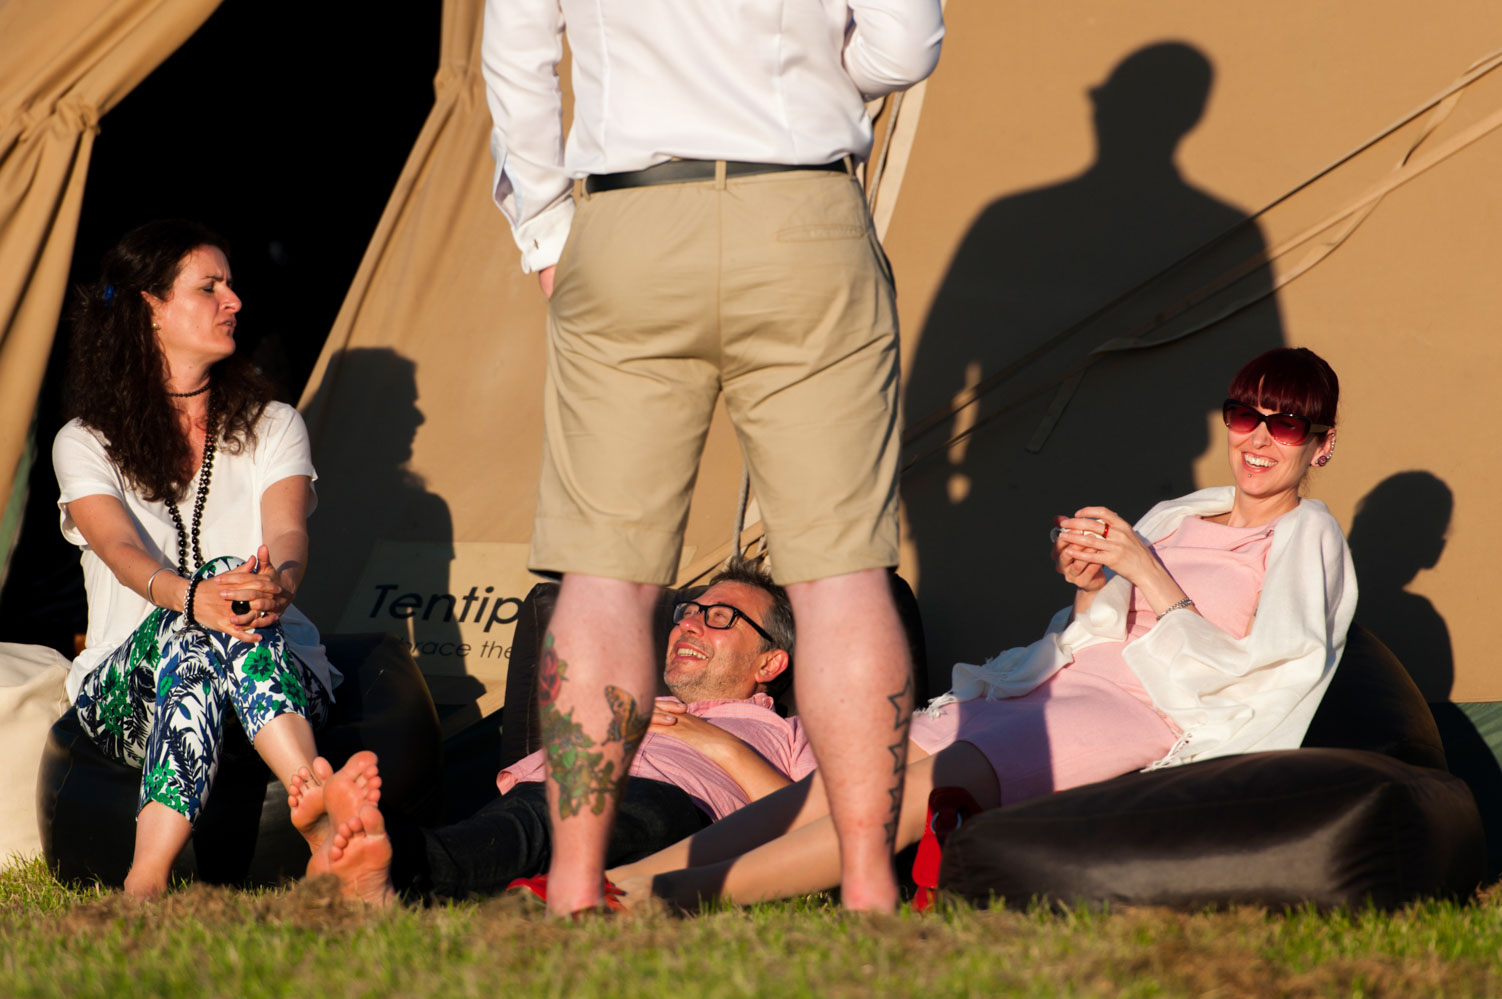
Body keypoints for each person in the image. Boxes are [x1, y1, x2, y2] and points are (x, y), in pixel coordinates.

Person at [479, 0, 945, 913]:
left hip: (631, 218)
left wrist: (541, 228)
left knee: (606, 579)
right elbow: (907, 42)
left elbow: (517, 53)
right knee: (843, 576)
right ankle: (864, 882)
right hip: (804, 212)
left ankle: (573, 886)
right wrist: (801, 74)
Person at [601, 347, 1356, 908]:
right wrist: (1091, 585)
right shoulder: (1180, 514)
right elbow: (1099, 631)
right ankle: (621, 878)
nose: (1258, 437)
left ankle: (678, 896)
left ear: (1320, 443)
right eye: (1243, 414)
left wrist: (1150, 572)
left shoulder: (1306, 536)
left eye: (1285, 422)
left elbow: (1263, 671)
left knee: (940, 774)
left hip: (1135, 715)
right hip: (1059, 685)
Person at [52, 220, 375, 899]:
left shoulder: (274, 422)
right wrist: (193, 595)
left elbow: (287, 534)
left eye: (231, 285)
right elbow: (117, 548)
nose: (234, 300)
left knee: (222, 611)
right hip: (127, 687)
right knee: (197, 618)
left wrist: (276, 586)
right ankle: (313, 798)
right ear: (150, 309)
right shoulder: (84, 441)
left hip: (273, 664)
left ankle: (146, 880)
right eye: (210, 287)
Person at [304, 562, 813, 906]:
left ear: (770, 660)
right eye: (689, 614)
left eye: (720, 617)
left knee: (545, 830)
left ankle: (378, 851)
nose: (690, 626)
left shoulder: (789, 733)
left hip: (680, 809)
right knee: (511, 834)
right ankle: (377, 863)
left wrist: (716, 742)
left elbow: (817, 825)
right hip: (552, 792)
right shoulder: (632, 699)